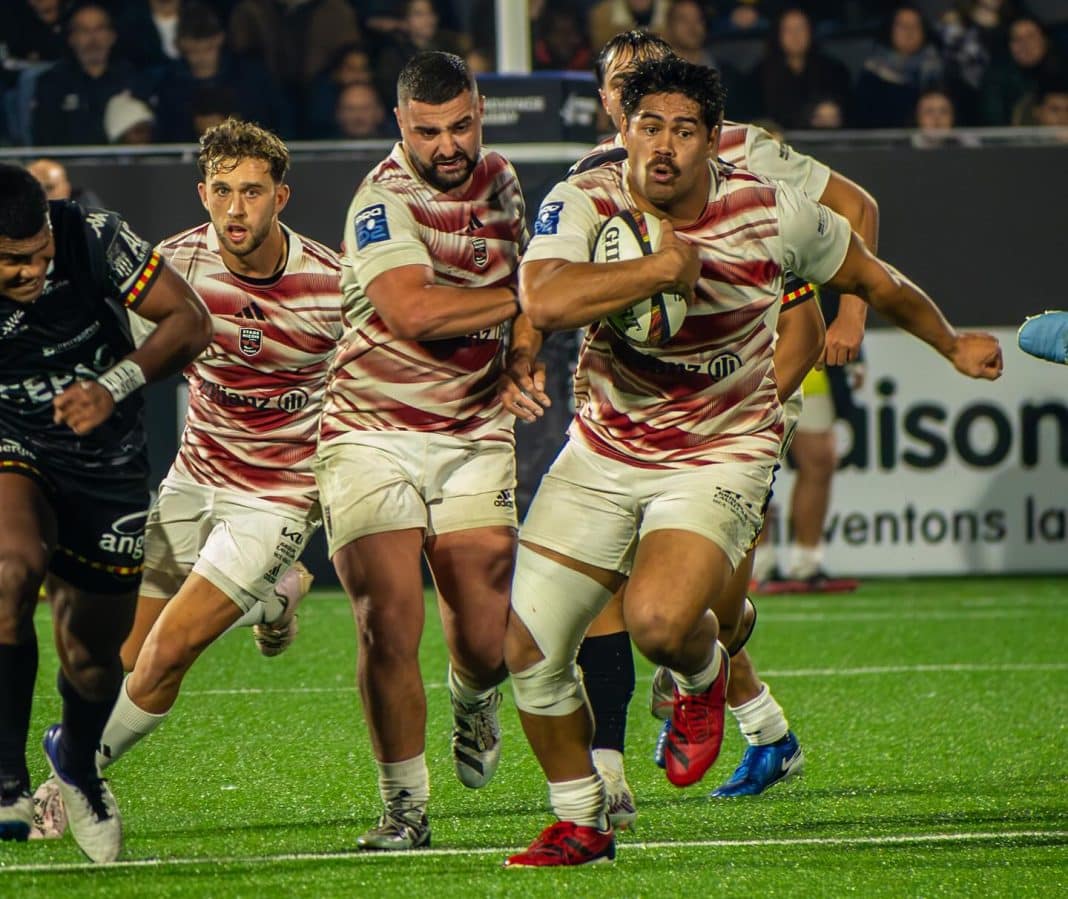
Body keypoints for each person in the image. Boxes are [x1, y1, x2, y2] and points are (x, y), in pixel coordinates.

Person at [501, 55, 1002, 867]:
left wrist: (950, 343)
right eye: (649, 127)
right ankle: (582, 820)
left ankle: (703, 677)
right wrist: (658, 269)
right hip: (605, 444)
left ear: (713, 140)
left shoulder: (770, 210)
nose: (663, 146)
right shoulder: (585, 195)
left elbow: (874, 278)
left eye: (684, 131)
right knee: (527, 649)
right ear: (625, 130)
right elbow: (544, 299)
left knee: (661, 623)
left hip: (720, 448)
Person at [528, 29, 877, 826]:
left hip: (734, 409)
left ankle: (740, 706)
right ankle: (618, 766)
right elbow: (552, 290)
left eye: (653, 82)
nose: (639, 97)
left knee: (704, 604)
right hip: (633, 418)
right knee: (622, 588)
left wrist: (846, 318)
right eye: (625, 87)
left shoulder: (742, 162)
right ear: (608, 101)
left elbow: (827, 260)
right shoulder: (590, 183)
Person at [27, 119, 346, 850]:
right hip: (193, 479)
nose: (236, 208)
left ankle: (66, 780)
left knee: (169, 652)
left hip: (277, 496)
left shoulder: (332, 286)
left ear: (282, 197)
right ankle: (273, 596)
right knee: (124, 654)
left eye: (253, 192)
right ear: (203, 193)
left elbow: (370, 391)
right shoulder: (175, 265)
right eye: (223, 191)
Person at [314, 50, 527, 851]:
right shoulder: (382, 201)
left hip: (473, 428)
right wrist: (531, 296)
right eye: (429, 131)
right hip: (372, 431)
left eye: (461, 126)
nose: (448, 145)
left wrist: (525, 349)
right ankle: (404, 806)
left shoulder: (502, 181)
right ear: (400, 123)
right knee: (388, 617)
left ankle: (474, 696)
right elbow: (412, 312)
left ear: (480, 113)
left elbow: (523, 297)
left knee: (485, 639)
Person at [0, 163, 211, 860]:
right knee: (9, 571)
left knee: (94, 660)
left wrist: (113, 384)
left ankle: (78, 762)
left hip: (104, 455)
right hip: (13, 439)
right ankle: (6, 781)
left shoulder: (91, 235)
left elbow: (191, 319)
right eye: (12, 261)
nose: (32, 271)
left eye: (39, 255)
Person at [30, 1, 140, 146]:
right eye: (83, 30)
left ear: (112, 36)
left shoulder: (134, 78)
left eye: (99, 29)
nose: (92, 39)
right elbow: (44, 140)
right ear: (71, 38)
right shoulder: (52, 82)